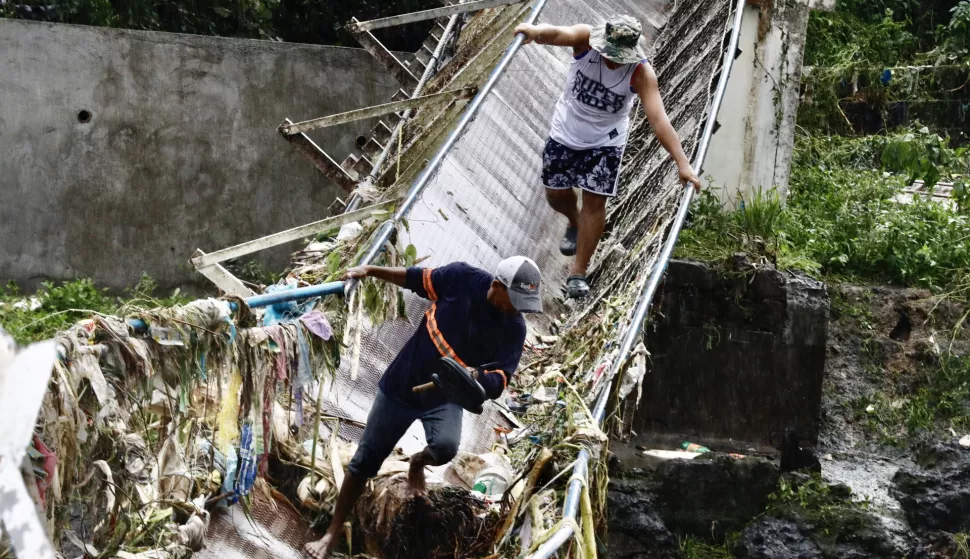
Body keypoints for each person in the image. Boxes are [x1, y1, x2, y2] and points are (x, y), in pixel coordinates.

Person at [304, 256, 542, 559]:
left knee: (445, 447)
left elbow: (501, 378)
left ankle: (416, 464)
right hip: (401, 385)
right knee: (364, 461)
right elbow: (415, 278)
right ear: (498, 284)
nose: (518, 308)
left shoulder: (514, 328)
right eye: (516, 300)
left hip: (445, 397)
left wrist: (478, 376)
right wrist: (371, 270)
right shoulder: (461, 278)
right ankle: (331, 533)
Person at [515, 15, 703, 299]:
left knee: (595, 200)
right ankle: (574, 221)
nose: (614, 61)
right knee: (555, 193)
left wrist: (683, 163)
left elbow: (659, 119)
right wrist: (534, 31)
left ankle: (578, 272)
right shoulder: (585, 41)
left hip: (606, 142)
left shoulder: (640, 73)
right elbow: (556, 32)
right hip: (566, 132)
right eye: (610, 54)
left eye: (620, 57)